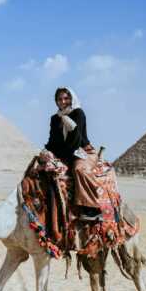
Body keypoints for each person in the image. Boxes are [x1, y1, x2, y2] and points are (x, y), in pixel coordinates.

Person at [44, 86, 102, 221]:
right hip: (64, 154)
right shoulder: (55, 118)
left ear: (71, 99)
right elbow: (52, 141)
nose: (63, 101)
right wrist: (46, 152)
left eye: (66, 98)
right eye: (59, 99)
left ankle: (93, 209)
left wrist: (60, 157)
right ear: (56, 101)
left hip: (82, 152)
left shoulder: (78, 114)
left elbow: (75, 142)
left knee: (79, 169)